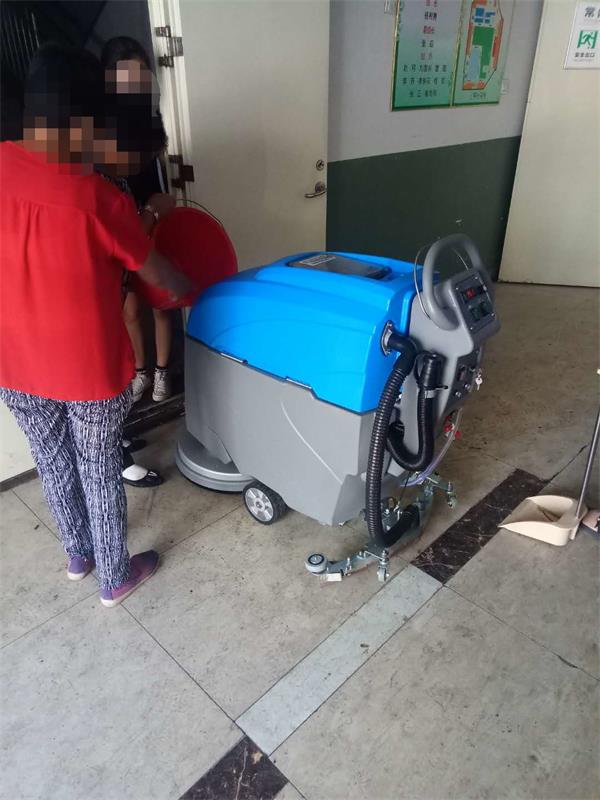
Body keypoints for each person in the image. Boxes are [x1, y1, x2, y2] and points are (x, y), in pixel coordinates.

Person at [0, 44, 192, 607]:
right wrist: (196, 282)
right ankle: (115, 575)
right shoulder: (97, 199)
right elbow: (161, 277)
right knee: (99, 466)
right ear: (83, 121)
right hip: (87, 369)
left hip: (13, 361)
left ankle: (78, 555)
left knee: (51, 458)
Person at [101, 36, 175, 404]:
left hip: (151, 216)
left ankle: (162, 372)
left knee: (161, 302)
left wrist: (155, 211)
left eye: (141, 76)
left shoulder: (152, 119)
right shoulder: (100, 132)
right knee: (129, 306)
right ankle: (141, 372)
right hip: (125, 223)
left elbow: (160, 189)